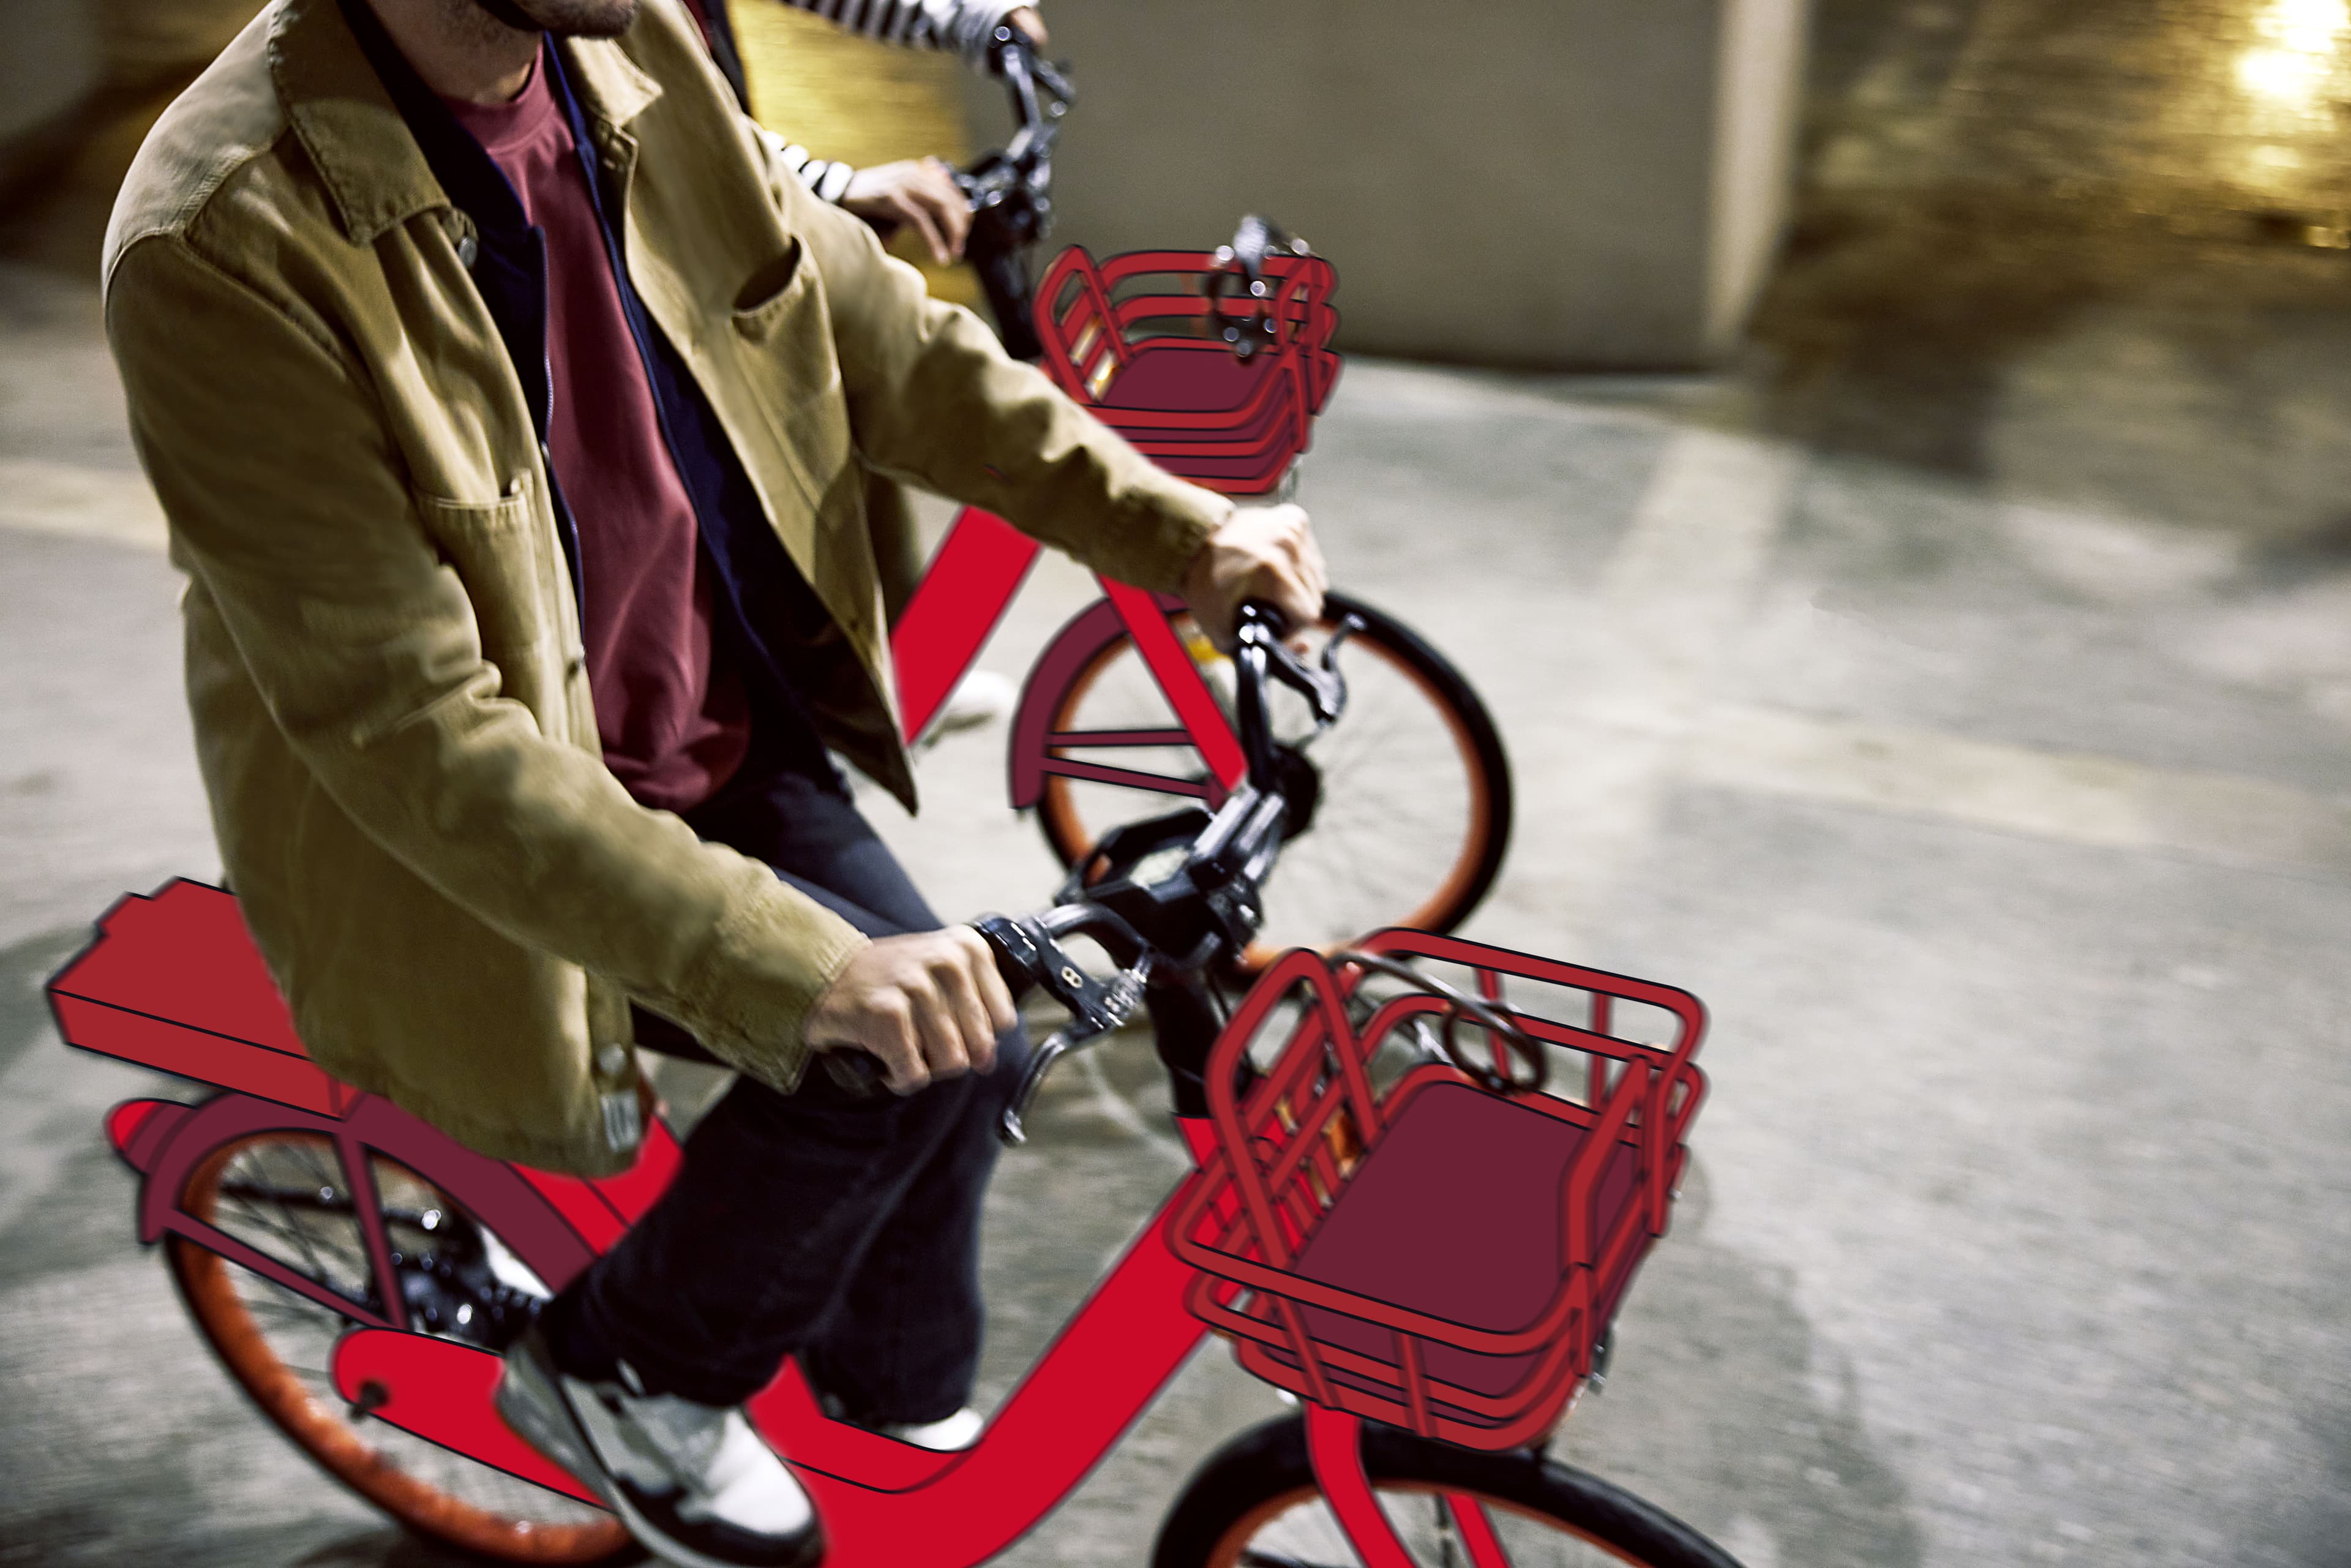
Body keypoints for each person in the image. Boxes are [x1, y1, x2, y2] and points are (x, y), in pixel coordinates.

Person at [100, 2, 1325, 1567]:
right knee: (879, 1051)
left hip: (708, 712)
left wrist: (1178, 530)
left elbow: (878, 335)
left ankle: (887, 1432)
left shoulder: (630, 48)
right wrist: (796, 966)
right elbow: (409, 728)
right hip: (497, 825)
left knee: (963, 1041)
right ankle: (625, 1372)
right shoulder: (222, 238)